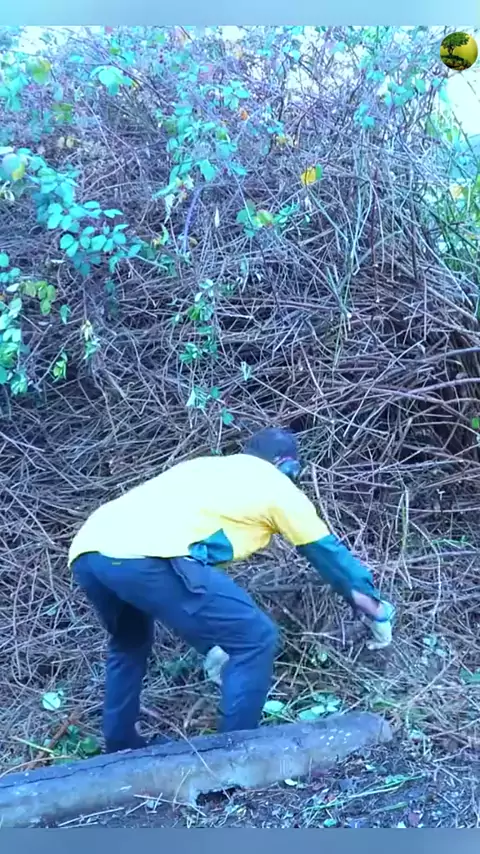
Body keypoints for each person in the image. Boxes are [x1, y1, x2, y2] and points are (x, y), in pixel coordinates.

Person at [69, 427, 395, 754]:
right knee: (255, 638)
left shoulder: (204, 468)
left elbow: (178, 595)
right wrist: (376, 609)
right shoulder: (276, 486)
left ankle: (120, 745)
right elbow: (327, 555)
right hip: (146, 558)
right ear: (285, 464)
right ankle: (235, 756)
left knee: (129, 643)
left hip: (89, 552)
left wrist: (210, 644)